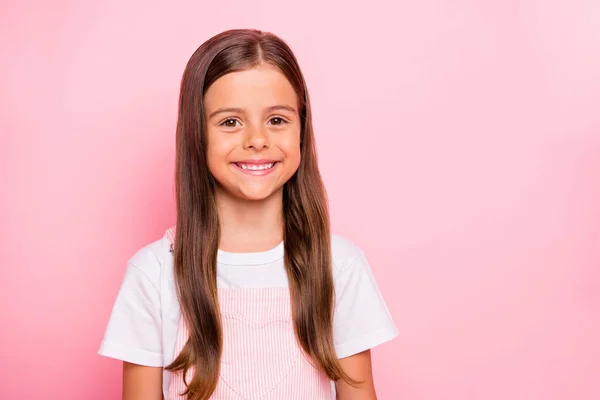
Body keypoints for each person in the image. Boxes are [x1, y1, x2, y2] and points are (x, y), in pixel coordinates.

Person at [98, 29, 398, 400]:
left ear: (301, 129)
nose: (257, 140)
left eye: (276, 120)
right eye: (230, 122)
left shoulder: (340, 266)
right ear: (197, 134)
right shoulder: (154, 274)